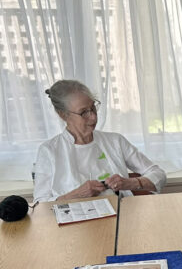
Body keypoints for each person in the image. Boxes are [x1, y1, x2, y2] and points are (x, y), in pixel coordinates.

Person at [33, 80, 166, 203]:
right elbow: (40, 203)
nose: (93, 117)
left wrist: (130, 183)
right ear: (63, 114)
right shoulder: (49, 150)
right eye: (83, 112)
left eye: (93, 107)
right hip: (74, 225)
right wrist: (76, 194)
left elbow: (159, 174)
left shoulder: (115, 141)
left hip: (121, 217)